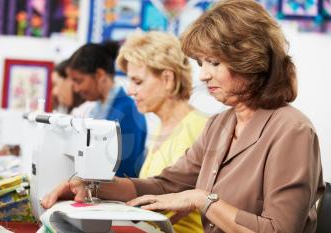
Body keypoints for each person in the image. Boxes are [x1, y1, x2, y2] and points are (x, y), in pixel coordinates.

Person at [42, 1, 324, 233]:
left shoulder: (292, 130)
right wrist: (92, 185)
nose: (203, 74)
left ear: (249, 59)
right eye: (202, 63)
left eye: (214, 62)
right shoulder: (220, 125)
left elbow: (280, 229)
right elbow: (165, 185)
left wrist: (204, 200)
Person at [116, 31, 208, 233]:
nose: (130, 90)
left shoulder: (201, 128)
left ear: (167, 79)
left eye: (138, 81)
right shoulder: (161, 128)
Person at [66, 41, 147, 178]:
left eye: (79, 81)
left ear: (99, 75)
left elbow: (123, 170)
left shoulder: (127, 112)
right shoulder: (97, 109)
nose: (76, 89)